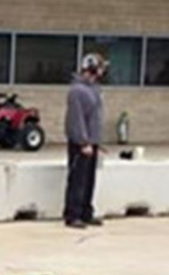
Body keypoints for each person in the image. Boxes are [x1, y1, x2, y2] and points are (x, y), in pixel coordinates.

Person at [64, 53, 107, 230]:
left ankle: (85, 212)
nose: (102, 72)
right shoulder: (77, 91)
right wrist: (83, 142)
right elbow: (76, 119)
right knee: (78, 179)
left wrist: (97, 140)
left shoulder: (94, 89)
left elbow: (94, 118)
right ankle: (73, 214)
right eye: (100, 68)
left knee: (89, 180)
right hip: (81, 144)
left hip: (92, 142)